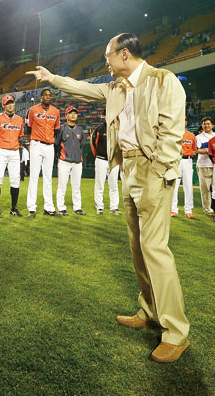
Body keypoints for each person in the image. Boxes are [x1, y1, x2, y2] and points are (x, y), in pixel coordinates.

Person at [27, 32, 190, 363]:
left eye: (108, 55)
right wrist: (52, 78)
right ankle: (149, 311)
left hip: (152, 170)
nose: (106, 61)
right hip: (127, 168)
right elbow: (84, 90)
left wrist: (159, 170)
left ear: (125, 55)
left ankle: (176, 331)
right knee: (137, 246)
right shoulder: (115, 88)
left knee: (155, 248)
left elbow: (172, 132)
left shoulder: (163, 80)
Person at [26, 88, 60, 217]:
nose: (48, 97)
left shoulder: (56, 111)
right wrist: (32, 143)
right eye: (45, 95)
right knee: (34, 176)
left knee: (48, 177)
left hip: (49, 146)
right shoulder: (33, 110)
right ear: (41, 97)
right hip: (37, 144)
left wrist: (52, 144)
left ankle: (49, 207)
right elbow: (28, 128)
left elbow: (56, 131)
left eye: (49, 95)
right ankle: (32, 208)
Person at [0, 94, 24, 217]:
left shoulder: (20, 120)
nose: (10, 105)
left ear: (14, 103)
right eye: (7, 103)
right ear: (3, 105)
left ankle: (14, 208)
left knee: (15, 181)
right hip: (2, 151)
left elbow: (20, 136)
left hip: (15, 152)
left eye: (11, 102)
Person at [54, 106, 86, 216]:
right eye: (70, 113)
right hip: (64, 161)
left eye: (75, 113)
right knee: (62, 186)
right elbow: (56, 144)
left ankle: (77, 208)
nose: (73, 115)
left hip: (77, 161)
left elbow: (82, 143)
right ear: (66, 115)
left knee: (77, 186)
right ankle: (61, 208)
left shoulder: (80, 130)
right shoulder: (61, 129)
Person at [90, 111, 121, 215]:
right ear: (104, 116)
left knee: (114, 185)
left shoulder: (118, 128)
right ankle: (99, 207)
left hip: (114, 160)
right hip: (101, 159)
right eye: (107, 114)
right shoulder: (99, 129)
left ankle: (114, 207)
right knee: (100, 184)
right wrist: (98, 155)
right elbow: (93, 144)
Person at [171, 117, 196, 218]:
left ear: (186, 122)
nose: (183, 122)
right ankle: (173, 209)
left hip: (188, 160)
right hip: (176, 160)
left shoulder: (191, 136)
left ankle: (188, 210)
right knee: (174, 185)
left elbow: (194, 150)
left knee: (188, 185)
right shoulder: (173, 134)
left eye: (184, 120)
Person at [195, 117, 214, 216]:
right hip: (203, 165)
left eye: (208, 124)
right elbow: (197, 150)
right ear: (202, 125)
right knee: (205, 188)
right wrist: (209, 150)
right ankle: (207, 208)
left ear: (212, 125)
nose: (206, 125)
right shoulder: (198, 137)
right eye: (204, 124)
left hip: (213, 164)